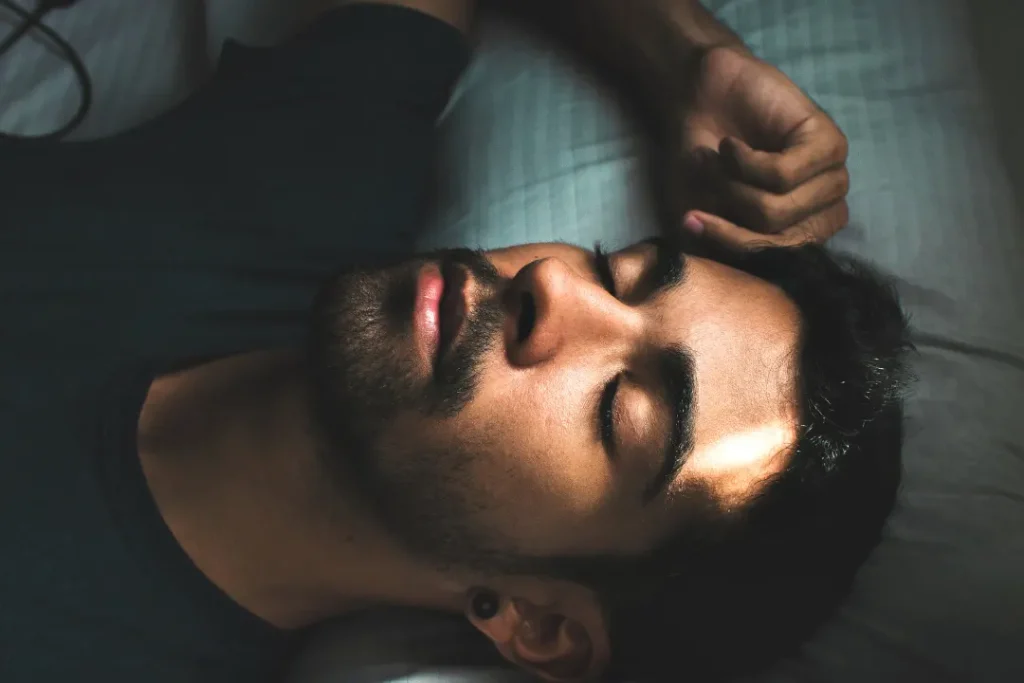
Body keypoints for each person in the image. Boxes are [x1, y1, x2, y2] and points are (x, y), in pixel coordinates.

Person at [0, 1, 913, 682]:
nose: (551, 285)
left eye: (619, 407)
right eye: (614, 271)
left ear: (538, 624)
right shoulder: (308, 193)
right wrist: (690, 62)